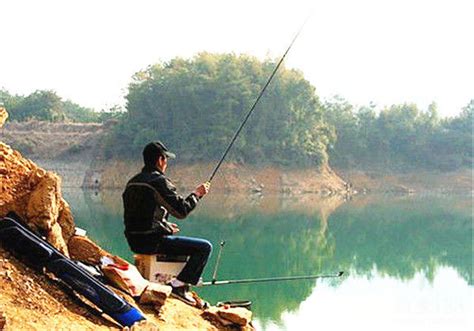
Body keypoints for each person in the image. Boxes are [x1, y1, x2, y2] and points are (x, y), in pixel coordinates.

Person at [122, 141, 212, 305]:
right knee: (204, 247)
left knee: (181, 244)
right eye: (165, 159)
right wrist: (197, 194)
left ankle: (180, 281)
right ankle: (178, 285)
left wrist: (166, 227)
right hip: (151, 242)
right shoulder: (158, 182)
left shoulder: (132, 182)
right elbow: (181, 211)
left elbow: (140, 216)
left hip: (134, 241)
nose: (166, 163)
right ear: (160, 160)